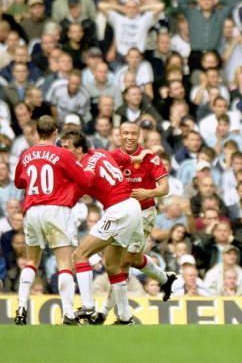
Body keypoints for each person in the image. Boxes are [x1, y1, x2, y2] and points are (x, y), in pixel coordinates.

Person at [90, 121, 174, 325]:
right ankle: (165, 279)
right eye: (125, 133)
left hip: (144, 214)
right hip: (118, 214)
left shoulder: (150, 157)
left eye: (133, 133)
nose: (129, 137)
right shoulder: (111, 158)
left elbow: (165, 188)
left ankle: (104, 313)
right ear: (118, 135)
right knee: (127, 261)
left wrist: (149, 192)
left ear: (139, 135)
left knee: (124, 262)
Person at [13, 116, 94, 325]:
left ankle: (21, 307)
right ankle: (67, 312)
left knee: (32, 261)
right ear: (56, 132)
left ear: (36, 132)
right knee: (64, 263)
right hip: (56, 209)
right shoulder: (62, 154)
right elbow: (84, 180)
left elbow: (19, 182)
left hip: (32, 210)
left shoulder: (26, 154)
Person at [60, 130, 145, 325]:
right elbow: (120, 156)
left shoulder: (83, 167)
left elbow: (81, 187)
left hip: (118, 210)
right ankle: (125, 317)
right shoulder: (100, 152)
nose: (63, 152)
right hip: (132, 207)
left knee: (79, 255)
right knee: (112, 264)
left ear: (79, 149)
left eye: (66, 148)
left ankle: (88, 306)